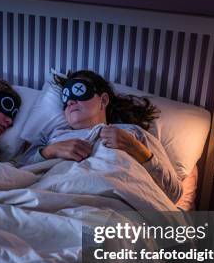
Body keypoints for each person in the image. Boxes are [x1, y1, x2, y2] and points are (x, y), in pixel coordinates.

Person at [18, 70, 182, 203]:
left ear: (103, 100)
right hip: (48, 197)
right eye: (65, 98)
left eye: (78, 91)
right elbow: (18, 172)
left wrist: (135, 149)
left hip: (107, 205)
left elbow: (173, 193)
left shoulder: (133, 133)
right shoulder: (51, 135)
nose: (70, 101)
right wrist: (50, 151)